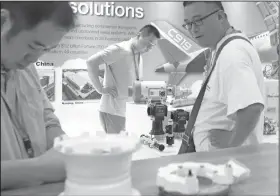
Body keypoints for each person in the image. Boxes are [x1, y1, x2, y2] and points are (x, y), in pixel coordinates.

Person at [1, 2, 75, 189]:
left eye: (45, 50)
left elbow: (45, 116)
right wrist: (39, 169)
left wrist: (63, 145)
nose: (35, 58)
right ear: (3, 21)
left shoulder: (25, 68)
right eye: (33, 45)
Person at [179, 1, 265, 153]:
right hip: (219, 161)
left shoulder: (232, 53)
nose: (193, 29)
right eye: (188, 24)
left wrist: (233, 140)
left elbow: (252, 107)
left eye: (198, 20)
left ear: (220, 17)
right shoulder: (222, 49)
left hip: (225, 163)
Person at [87, 25, 160, 134]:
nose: (150, 48)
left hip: (127, 111)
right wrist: (100, 89)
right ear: (139, 35)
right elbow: (91, 62)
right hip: (113, 111)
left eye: (153, 45)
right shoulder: (120, 49)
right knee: (115, 148)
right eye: (148, 43)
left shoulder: (138, 54)